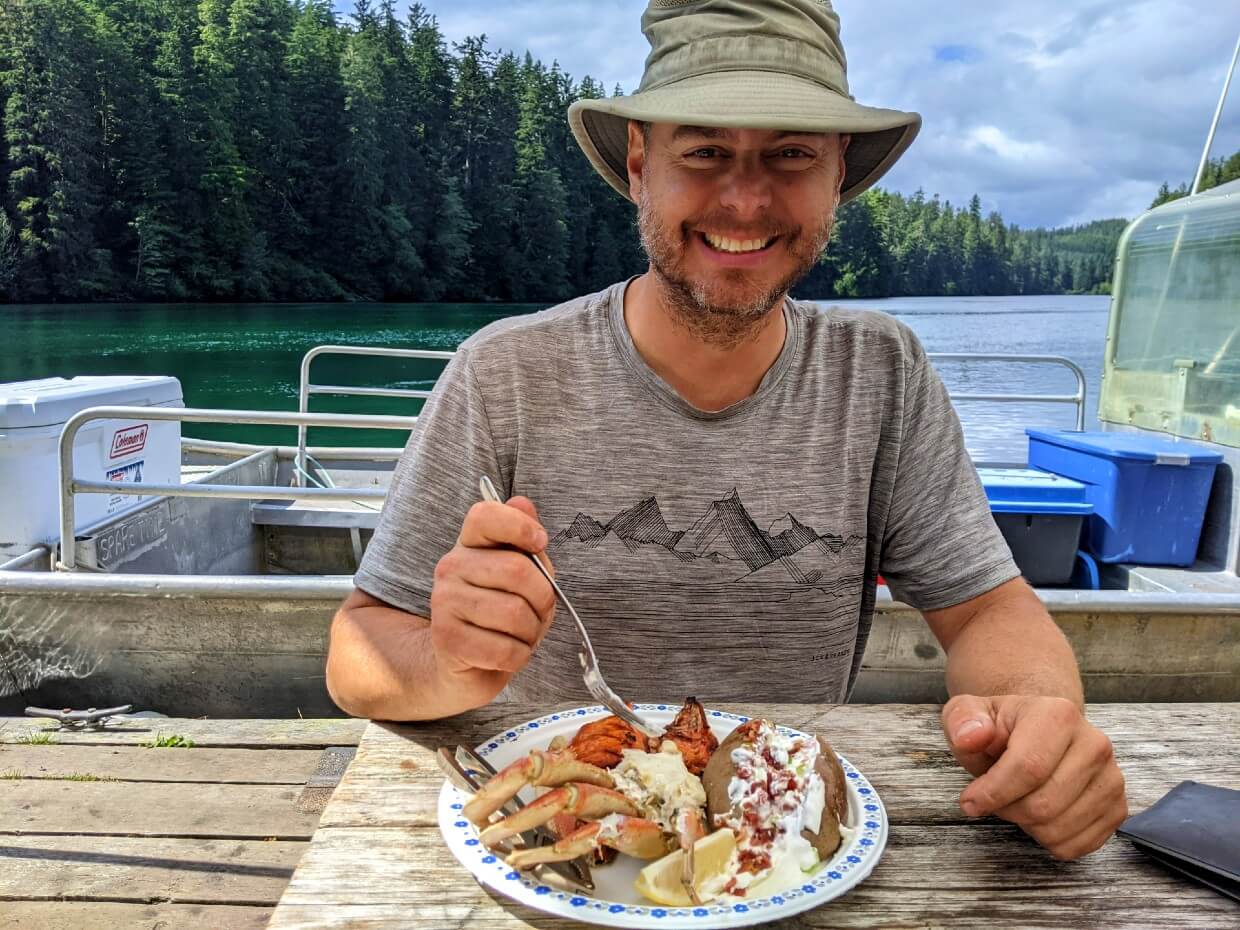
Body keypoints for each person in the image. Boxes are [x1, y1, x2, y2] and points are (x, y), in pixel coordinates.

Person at [325, 0, 1128, 860]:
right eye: (704, 151)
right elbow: (356, 653)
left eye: (790, 154)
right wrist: (449, 662)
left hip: (799, 847)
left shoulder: (882, 372)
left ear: (836, 175)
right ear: (640, 164)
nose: (745, 202)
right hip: (568, 850)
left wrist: (1038, 715)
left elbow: (988, 614)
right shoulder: (505, 374)